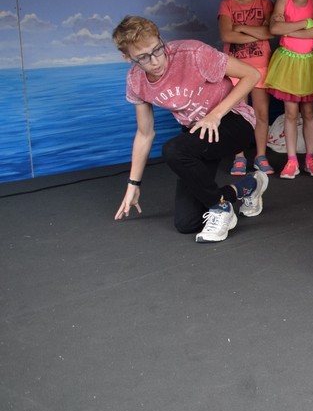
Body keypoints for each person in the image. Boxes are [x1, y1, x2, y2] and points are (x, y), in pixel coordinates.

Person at [112, 16, 269, 243]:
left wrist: (215, 115)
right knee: (188, 223)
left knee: (174, 150)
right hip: (198, 135)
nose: (155, 61)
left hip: (233, 121)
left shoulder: (193, 53)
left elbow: (252, 74)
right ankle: (248, 186)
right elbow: (144, 134)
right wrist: (133, 184)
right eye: (143, 57)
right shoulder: (136, 81)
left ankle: (221, 209)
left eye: (157, 49)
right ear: (128, 58)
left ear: (160, 39)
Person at [264, 0, 313, 179]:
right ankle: (291, 160)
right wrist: (304, 24)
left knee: (308, 112)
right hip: (288, 62)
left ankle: (310, 157)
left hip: (309, 63)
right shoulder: (283, 0)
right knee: (290, 113)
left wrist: (289, 30)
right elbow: (275, 28)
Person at [218, 0, 275, 176]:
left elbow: (270, 32)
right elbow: (226, 35)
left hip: (261, 65)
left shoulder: (265, 3)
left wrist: (241, 27)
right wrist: (256, 33)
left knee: (261, 112)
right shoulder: (227, 4)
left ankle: (261, 156)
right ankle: (239, 157)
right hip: (235, 67)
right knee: (239, 114)